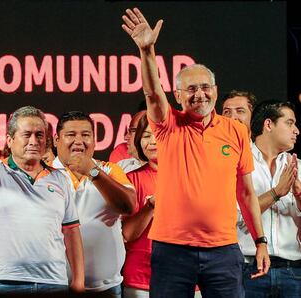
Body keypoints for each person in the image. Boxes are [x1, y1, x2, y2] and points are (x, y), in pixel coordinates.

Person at [122, 7, 269, 297]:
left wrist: (260, 241)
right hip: (171, 250)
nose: (198, 94)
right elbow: (152, 94)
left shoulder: (235, 130)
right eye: (190, 89)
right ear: (177, 95)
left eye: (205, 87)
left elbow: (247, 193)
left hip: (224, 250)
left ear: (215, 90)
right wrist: (147, 51)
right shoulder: (168, 124)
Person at [0, 86, 85, 297]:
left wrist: (78, 280)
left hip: (54, 282)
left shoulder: (61, 179)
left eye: (40, 135)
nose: (33, 141)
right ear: (10, 141)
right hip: (7, 282)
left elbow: (71, 232)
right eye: (26, 135)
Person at [53, 110, 136, 297]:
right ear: (56, 140)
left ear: (94, 141)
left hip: (108, 289)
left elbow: (129, 206)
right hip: (57, 286)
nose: (79, 140)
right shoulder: (45, 174)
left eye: (86, 135)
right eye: (71, 135)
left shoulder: (109, 170)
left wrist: (93, 172)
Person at [238, 100, 301, 297]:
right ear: (268, 125)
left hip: (294, 272)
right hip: (247, 270)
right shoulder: (238, 164)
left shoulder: (298, 167)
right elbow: (235, 216)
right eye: (289, 123)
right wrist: (276, 193)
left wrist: (299, 197)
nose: (297, 130)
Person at [122, 114, 157, 298]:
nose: (152, 142)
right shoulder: (131, 179)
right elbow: (126, 234)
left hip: (187, 276)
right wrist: (150, 207)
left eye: (158, 134)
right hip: (140, 280)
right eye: (146, 136)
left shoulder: (190, 177)